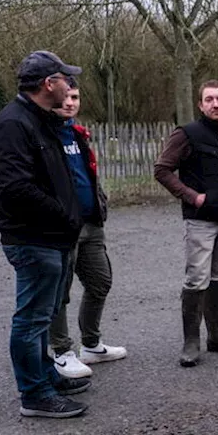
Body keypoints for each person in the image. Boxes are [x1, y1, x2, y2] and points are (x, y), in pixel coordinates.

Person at [0, 50, 92, 418]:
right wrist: (63, 214)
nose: (70, 85)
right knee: (31, 317)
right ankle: (34, 394)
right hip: (33, 238)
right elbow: (15, 187)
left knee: (44, 313)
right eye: (65, 78)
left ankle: (45, 374)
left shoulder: (41, 120)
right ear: (49, 84)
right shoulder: (14, 124)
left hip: (54, 237)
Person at [153, 79, 218, 367]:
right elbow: (162, 170)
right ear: (200, 105)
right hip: (200, 220)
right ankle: (191, 341)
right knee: (197, 277)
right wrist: (193, 197)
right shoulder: (187, 134)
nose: (215, 104)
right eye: (209, 99)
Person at [47, 77, 127, 379]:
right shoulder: (43, 134)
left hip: (91, 223)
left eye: (76, 97)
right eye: (66, 97)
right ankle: (61, 351)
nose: (70, 102)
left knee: (100, 282)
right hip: (62, 227)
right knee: (60, 291)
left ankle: (91, 344)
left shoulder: (77, 134)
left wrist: (99, 200)